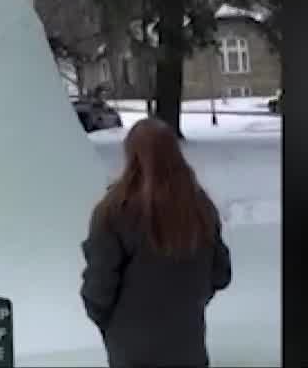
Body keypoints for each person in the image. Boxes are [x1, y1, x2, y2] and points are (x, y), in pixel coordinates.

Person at [79, 117, 233, 368]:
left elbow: (99, 284)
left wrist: (109, 321)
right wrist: (187, 302)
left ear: (131, 156)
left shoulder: (113, 211)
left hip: (130, 347)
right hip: (187, 345)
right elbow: (220, 273)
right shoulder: (199, 208)